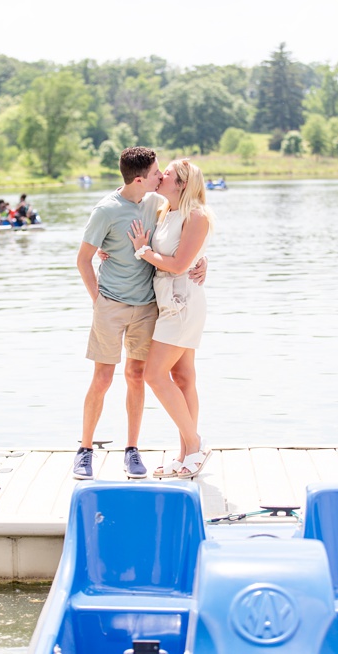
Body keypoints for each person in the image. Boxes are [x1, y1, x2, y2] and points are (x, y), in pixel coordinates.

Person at [74, 147, 206, 480]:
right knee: (102, 379)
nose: (161, 177)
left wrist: (202, 263)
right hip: (112, 304)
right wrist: (97, 300)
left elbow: (183, 243)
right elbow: (83, 259)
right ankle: (85, 449)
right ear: (139, 178)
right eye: (156, 173)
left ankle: (133, 450)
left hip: (151, 306)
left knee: (138, 376)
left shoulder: (156, 203)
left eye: (164, 174)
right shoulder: (106, 210)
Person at [128, 159, 212, 479]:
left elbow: (178, 265)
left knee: (154, 374)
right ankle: (185, 455)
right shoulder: (165, 211)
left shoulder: (196, 215)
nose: (161, 177)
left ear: (182, 184)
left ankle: (194, 444)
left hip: (183, 304)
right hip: (168, 303)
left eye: (168, 175)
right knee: (183, 377)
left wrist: (142, 251)